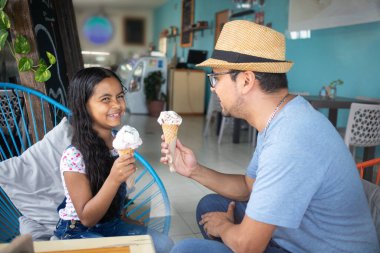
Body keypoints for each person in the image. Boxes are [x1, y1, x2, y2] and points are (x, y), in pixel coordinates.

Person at [160, 20, 379, 253]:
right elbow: (249, 187)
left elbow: (248, 246)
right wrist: (194, 170)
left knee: (186, 250)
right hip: (293, 234)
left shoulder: (291, 138)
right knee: (209, 206)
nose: (213, 88)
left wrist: (225, 228)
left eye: (216, 78)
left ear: (246, 80)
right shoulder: (283, 115)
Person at [54, 67, 173, 253]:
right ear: (83, 105)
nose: (117, 105)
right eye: (105, 99)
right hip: (78, 229)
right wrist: (114, 178)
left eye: (119, 96)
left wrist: (124, 217)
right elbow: (86, 217)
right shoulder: (74, 156)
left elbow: (119, 192)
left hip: (112, 223)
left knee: (165, 244)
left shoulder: (121, 142)